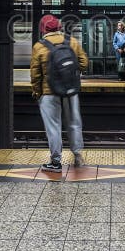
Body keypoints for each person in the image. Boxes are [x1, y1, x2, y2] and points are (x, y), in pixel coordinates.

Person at [31, 14, 89, 172]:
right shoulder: (72, 41)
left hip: (49, 92)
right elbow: (84, 63)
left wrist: (37, 93)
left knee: (53, 127)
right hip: (70, 90)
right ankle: (77, 155)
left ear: (43, 29)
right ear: (59, 27)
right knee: (74, 123)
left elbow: (35, 75)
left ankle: (55, 162)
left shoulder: (39, 46)